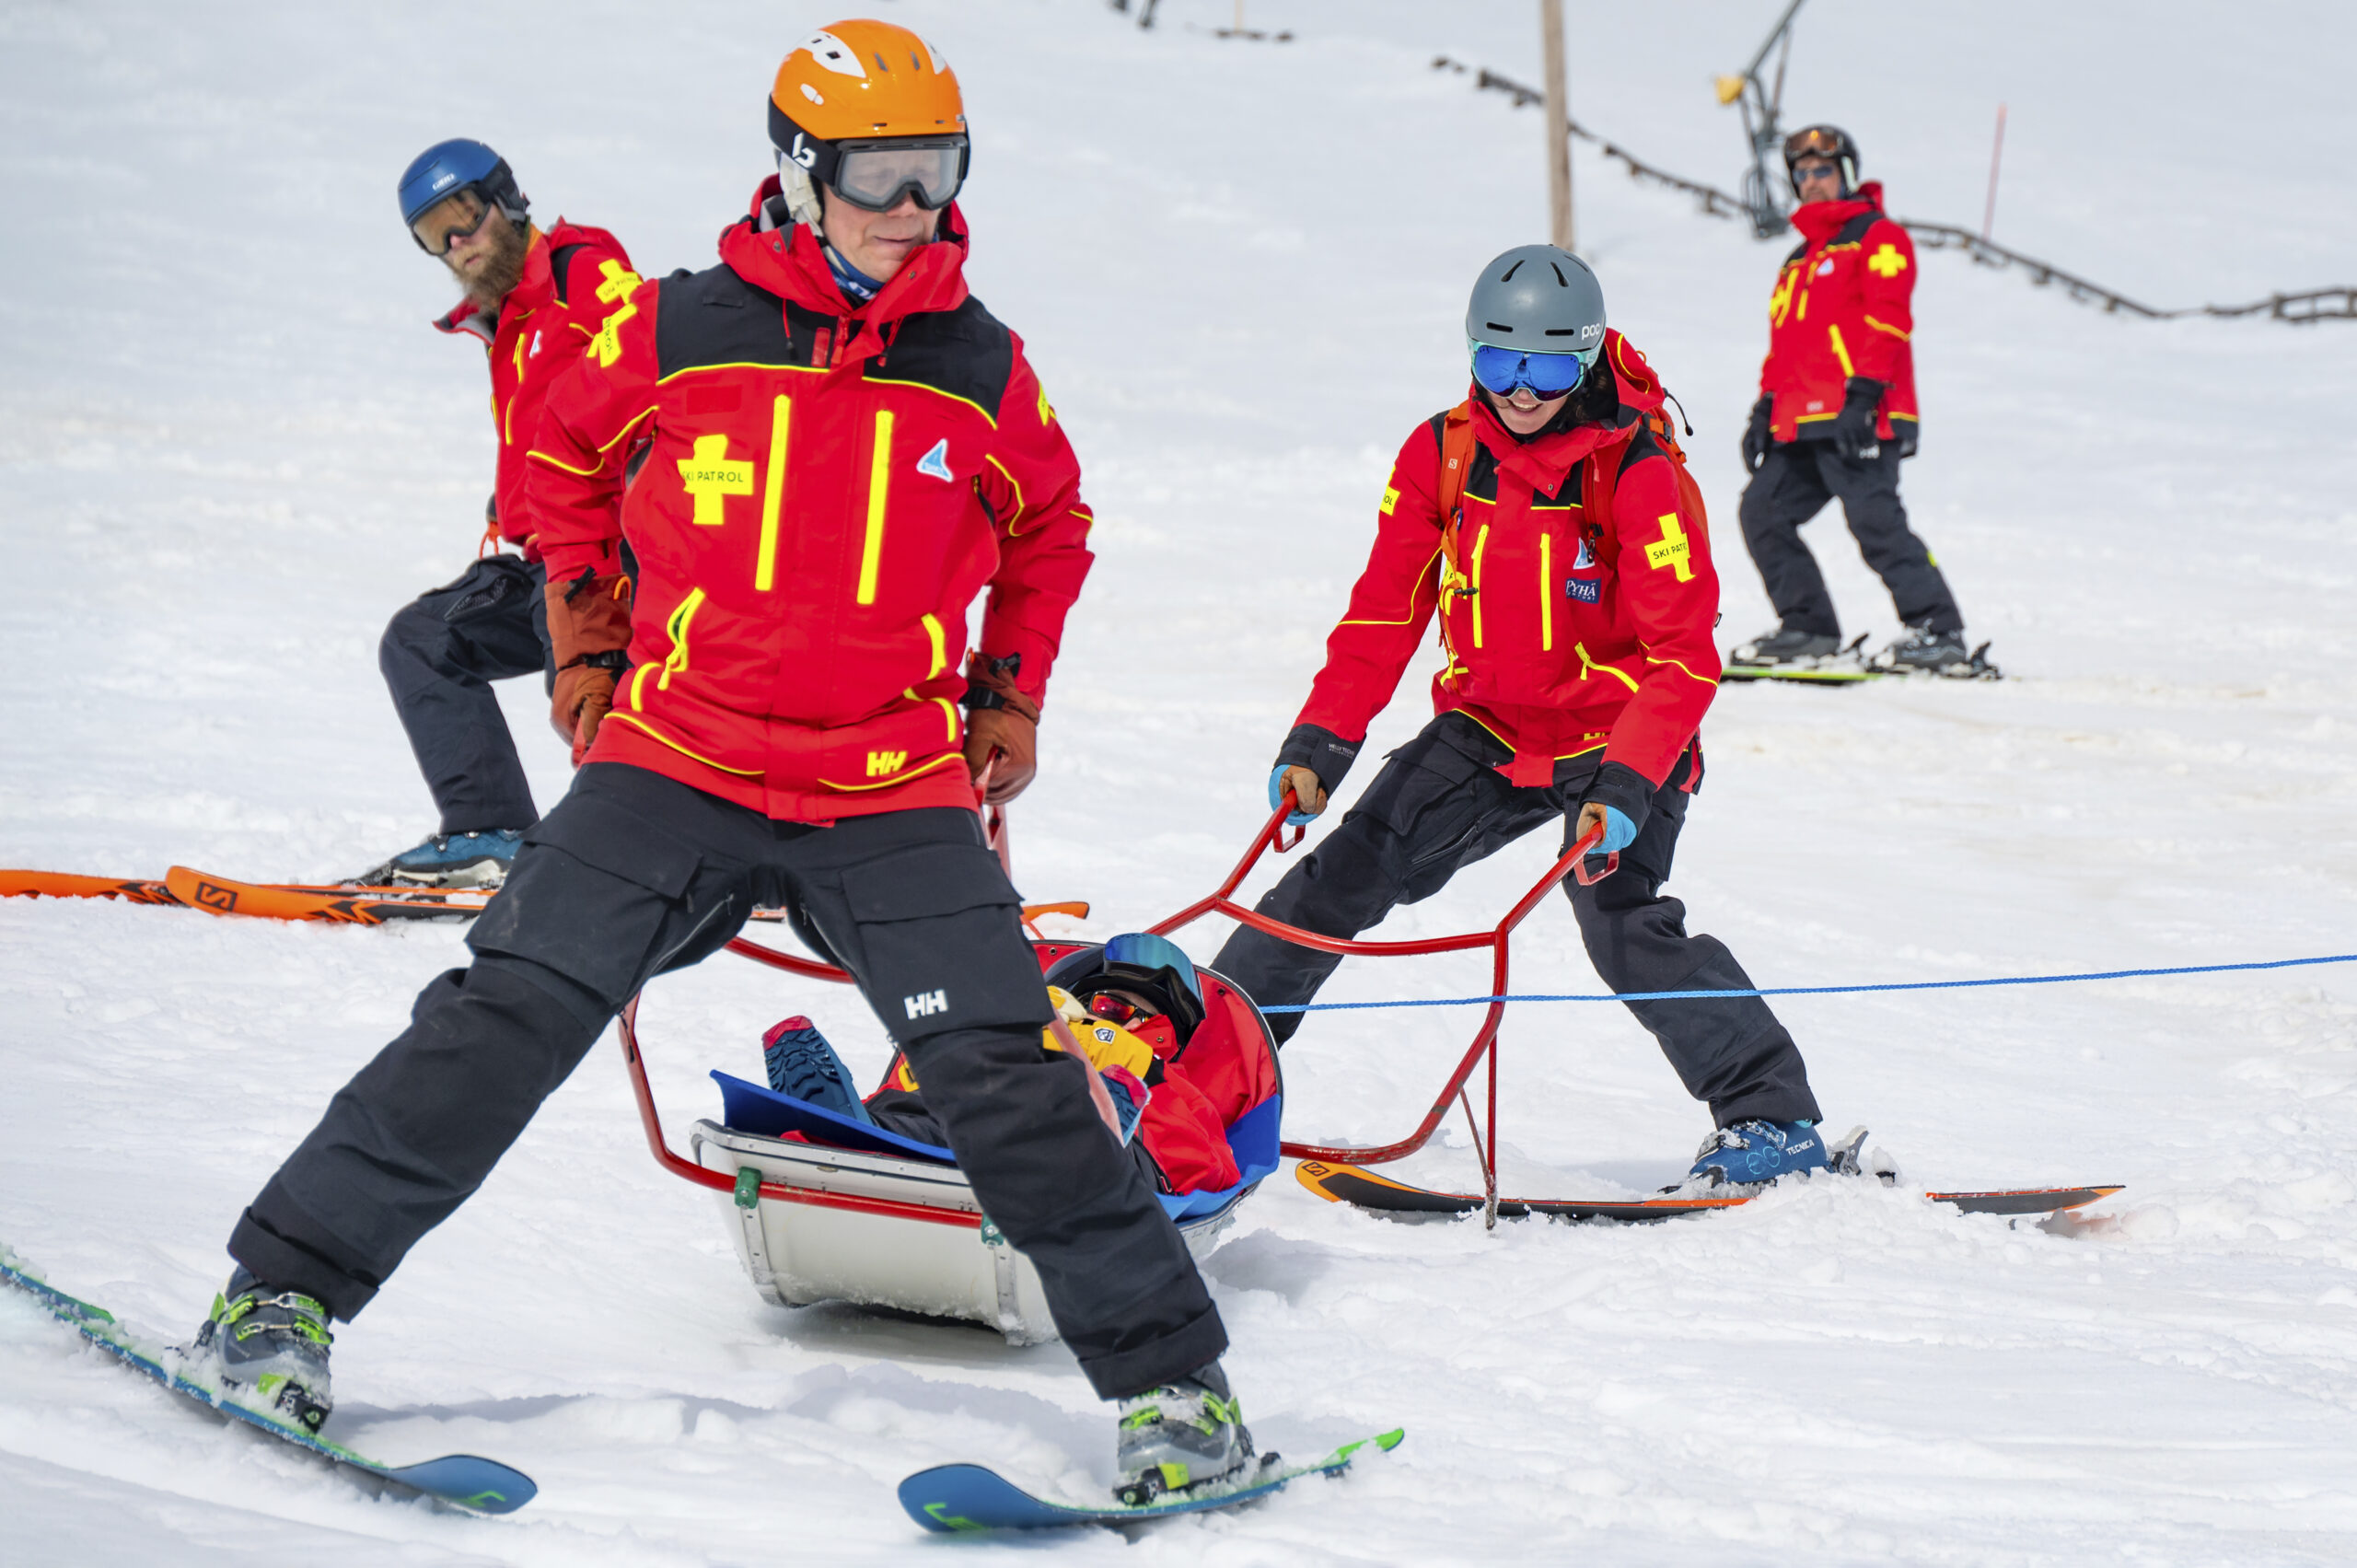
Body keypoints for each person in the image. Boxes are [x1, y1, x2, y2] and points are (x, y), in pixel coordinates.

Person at [193, 21, 1249, 1504]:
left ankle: (1176, 1394)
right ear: (800, 173)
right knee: (508, 1009)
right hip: (676, 755)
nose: (911, 207)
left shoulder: (983, 368)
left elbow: (1050, 526)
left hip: (887, 782)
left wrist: (1007, 686)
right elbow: (562, 464)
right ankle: (278, 1291)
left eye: (937, 173)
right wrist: (582, 642)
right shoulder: (677, 326)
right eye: (878, 174)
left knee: (1005, 1073)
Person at [1210, 244, 1833, 1188]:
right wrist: (1319, 743)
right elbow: (1384, 613)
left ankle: (1771, 1119)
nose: (1522, 389)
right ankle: (1197, 1080)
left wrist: (1626, 784)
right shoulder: (1443, 451)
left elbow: (1681, 654)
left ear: (1584, 357)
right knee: (1328, 887)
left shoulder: (1634, 467)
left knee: (1619, 920)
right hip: (1489, 731)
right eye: (1501, 363)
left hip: (1615, 734)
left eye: (1547, 365)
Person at [356, 140, 636, 887]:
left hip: (611, 559)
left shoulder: (581, 268)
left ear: (504, 198)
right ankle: (492, 832)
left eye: (464, 216)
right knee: (421, 641)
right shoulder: (506, 319)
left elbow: (648, 377)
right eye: (431, 235)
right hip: (547, 561)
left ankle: (668, 863)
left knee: (597, 700)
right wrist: (512, 499)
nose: (455, 244)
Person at [1730, 124, 1979, 677]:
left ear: (1846, 173)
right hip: (1802, 422)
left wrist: (1863, 397)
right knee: (1762, 513)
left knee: (1875, 523)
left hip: (1859, 416)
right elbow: (1786, 347)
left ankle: (1940, 631)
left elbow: (1889, 321)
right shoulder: (1798, 260)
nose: (1813, 181)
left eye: (1823, 171)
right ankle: (1809, 629)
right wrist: (1764, 411)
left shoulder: (1878, 237)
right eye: (1802, 174)